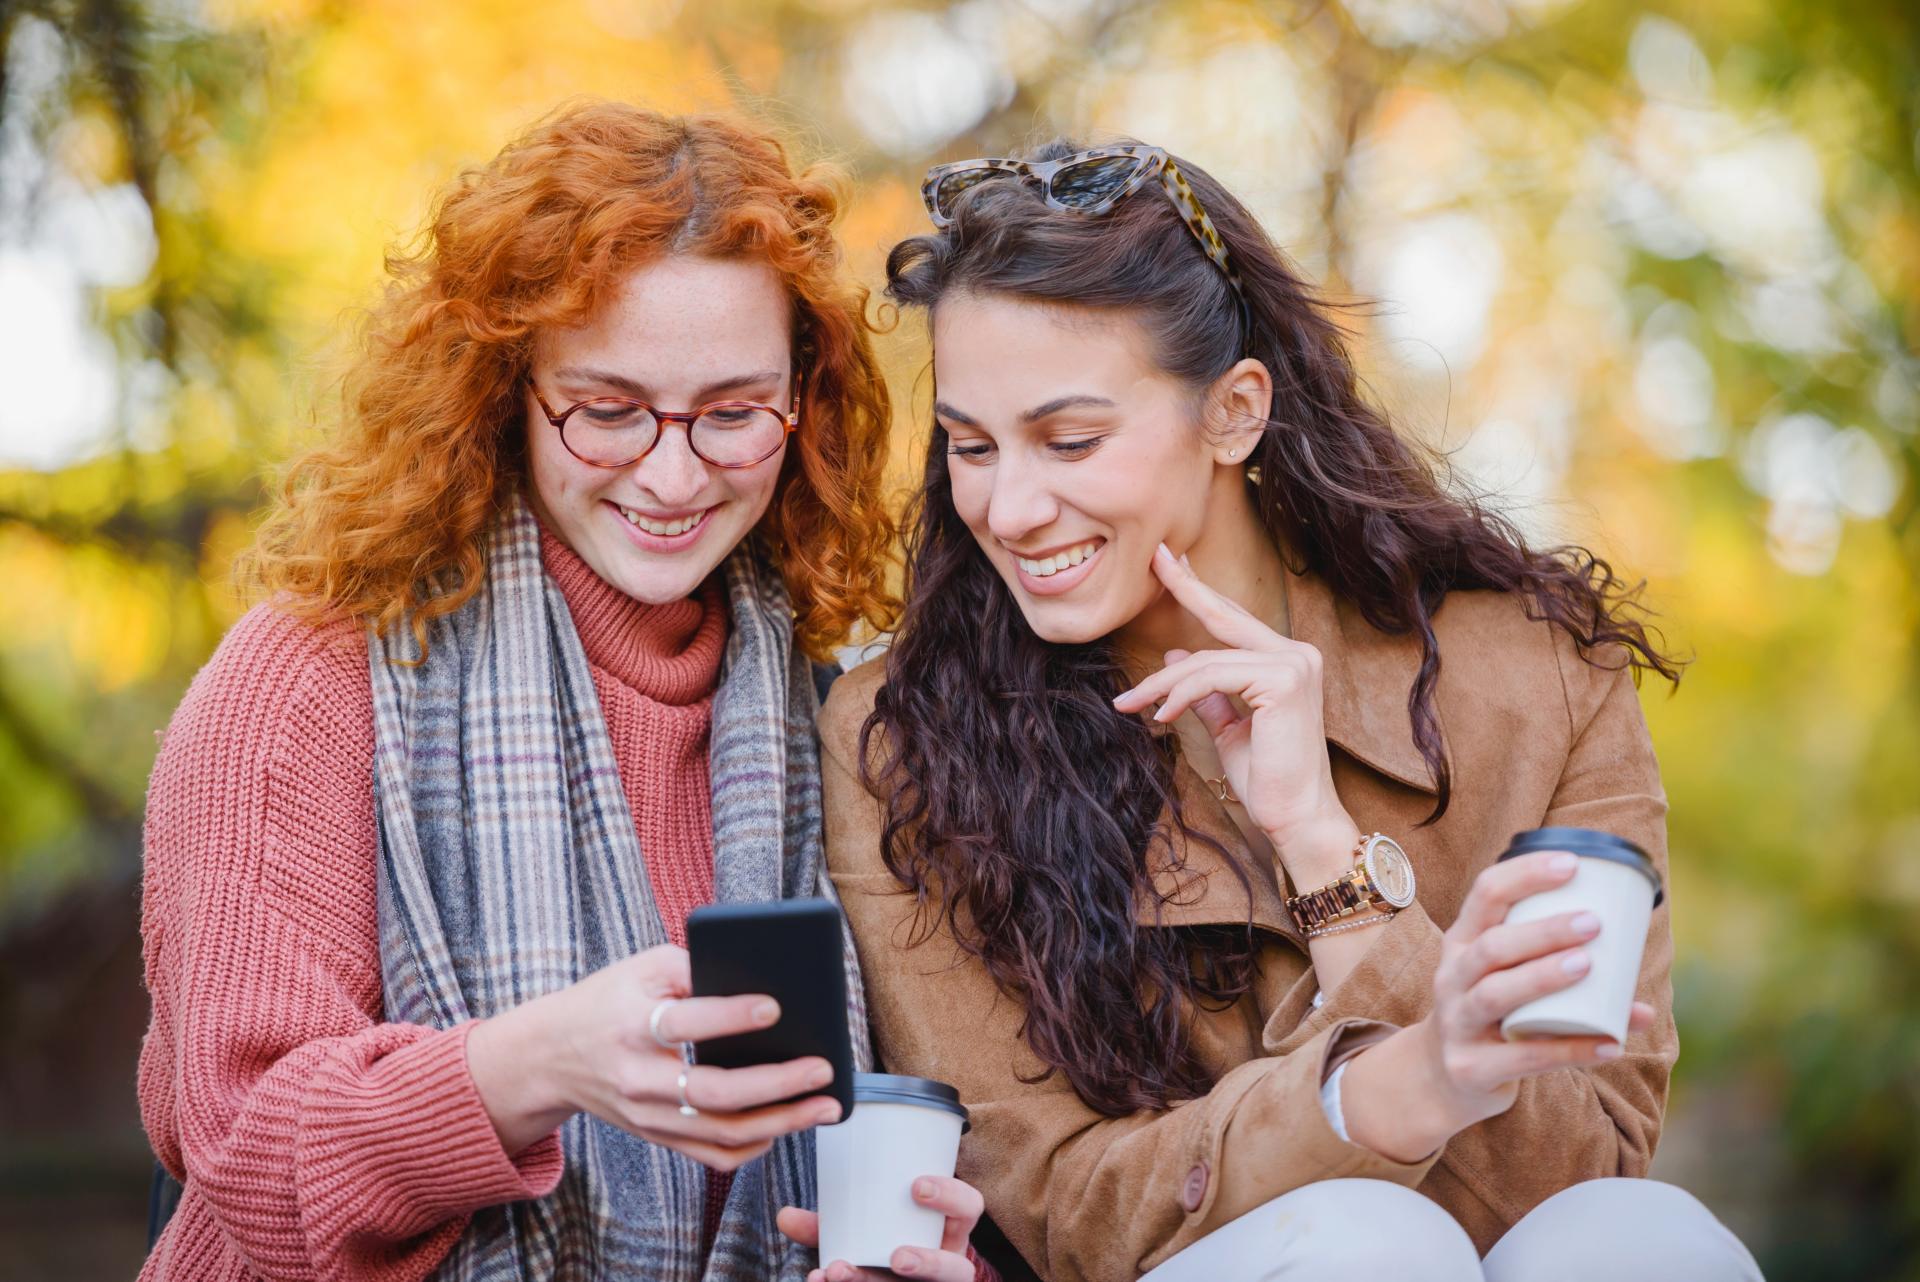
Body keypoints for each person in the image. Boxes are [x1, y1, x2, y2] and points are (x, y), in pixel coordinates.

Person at [818, 140, 1763, 1281]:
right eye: (971, 446)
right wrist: (1385, 1091)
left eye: (1071, 441)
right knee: (1371, 1241)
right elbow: (1054, 1203)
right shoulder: (901, 737)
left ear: (1233, 412)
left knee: (1644, 1233)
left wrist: (1323, 848)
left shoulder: (1538, 677)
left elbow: (1585, 1176)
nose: (1009, 508)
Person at [137, 102, 985, 1282]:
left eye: (734, 413)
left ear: (804, 405)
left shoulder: (832, 722)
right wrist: (533, 1067)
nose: (674, 475)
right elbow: (251, 1167)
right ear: (503, 391)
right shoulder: (304, 684)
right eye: (608, 411)